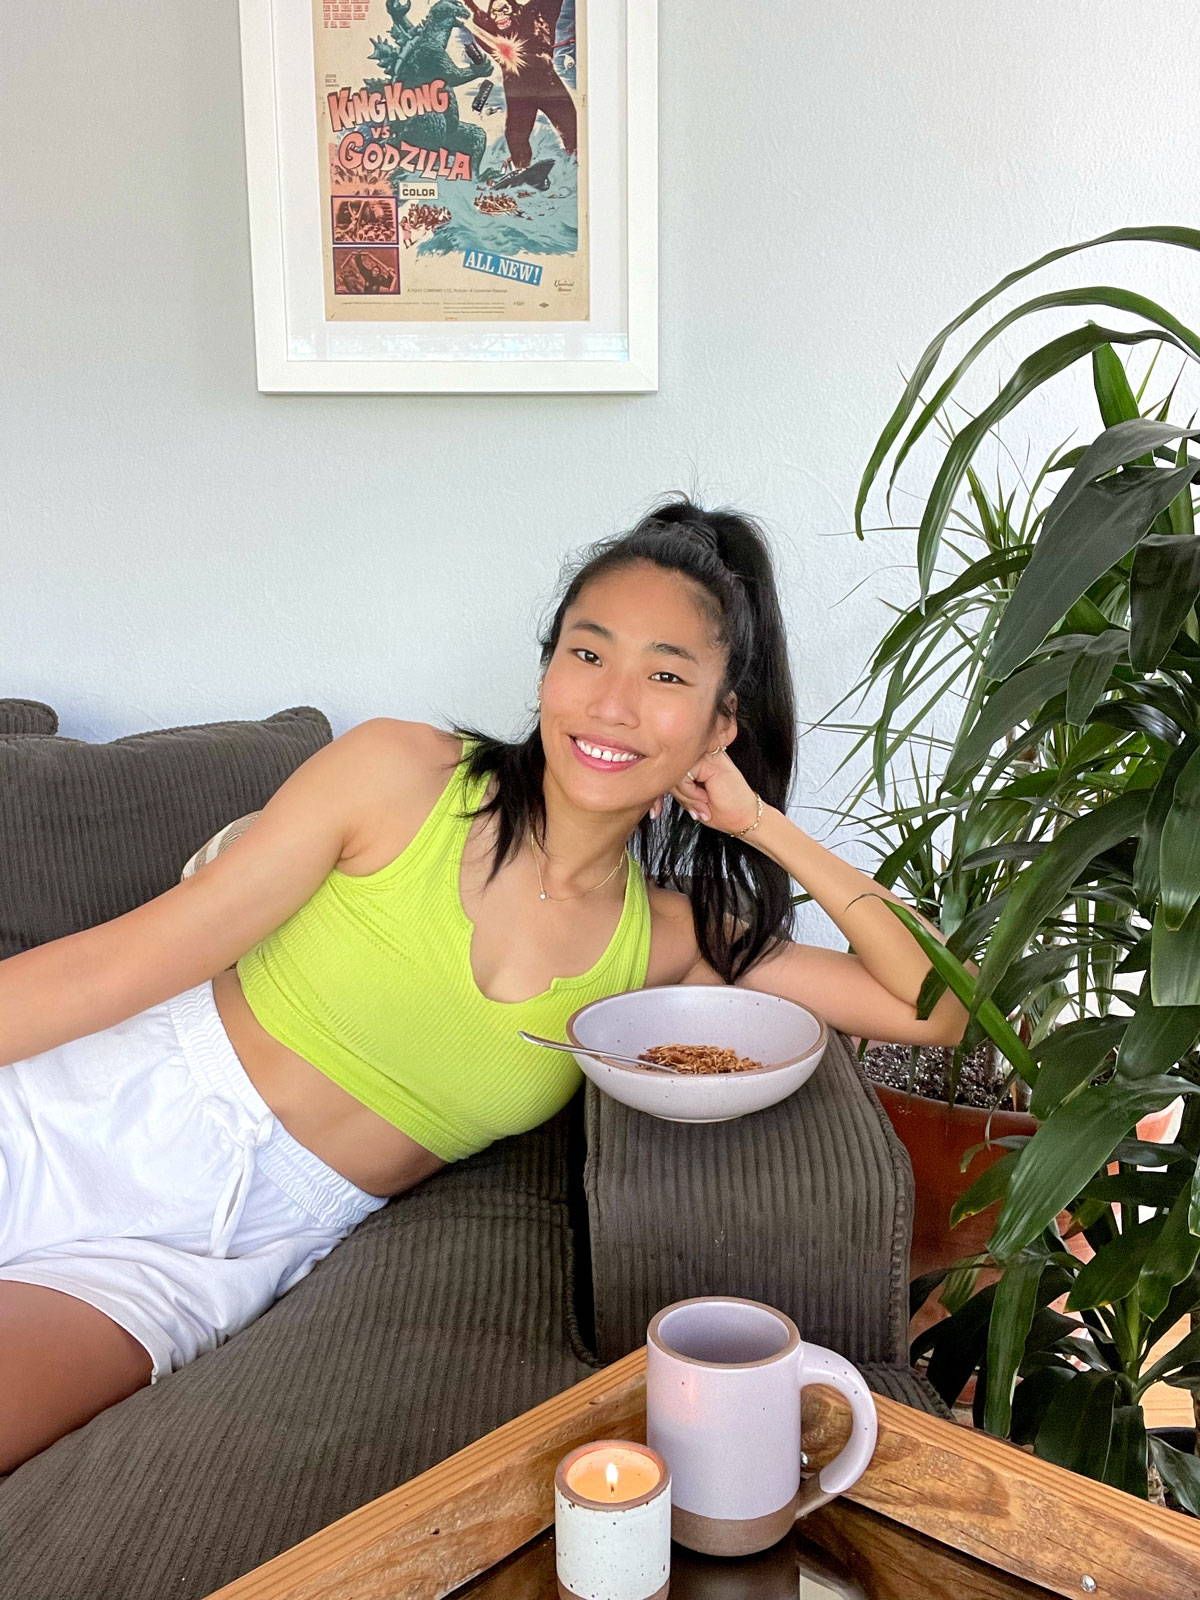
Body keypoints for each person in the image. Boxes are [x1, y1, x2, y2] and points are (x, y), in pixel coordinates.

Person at [0, 496, 969, 1473]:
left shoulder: (666, 942)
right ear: (549, 667)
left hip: (208, 1257)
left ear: (721, 722)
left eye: (664, 674)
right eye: (588, 654)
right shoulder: (399, 776)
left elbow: (931, 1006)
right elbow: (119, 962)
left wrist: (763, 825)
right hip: (78, 1110)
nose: (612, 702)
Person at [465, 0, 577, 171]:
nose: (499, 16)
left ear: (515, 9)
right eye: (494, 12)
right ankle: (521, 168)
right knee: (515, 137)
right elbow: (481, 21)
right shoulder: (492, 32)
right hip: (519, 94)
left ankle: (576, 161)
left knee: (571, 127)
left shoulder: (531, 17)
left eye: (504, 10)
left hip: (549, 87)